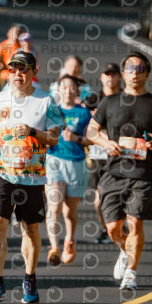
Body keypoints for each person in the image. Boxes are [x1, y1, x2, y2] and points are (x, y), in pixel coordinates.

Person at [87, 52, 152, 290]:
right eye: (130, 69)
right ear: (123, 74)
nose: (134, 74)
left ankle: (131, 274)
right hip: (113, 172)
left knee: (135, 222)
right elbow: (91, 131)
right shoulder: (109, 102)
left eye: (139, 70)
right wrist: (106, 143)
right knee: (113, 228)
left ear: (147, 74)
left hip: (142, 175)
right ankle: (124, 249)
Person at [0, 51, 63, 304]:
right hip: (2, 172)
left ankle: (29, 277)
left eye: (23, 68)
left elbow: (54, 138)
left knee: (30, 228)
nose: (18, 73)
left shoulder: (46, 101)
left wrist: (32, 132)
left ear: (34, 71)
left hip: (32, 176)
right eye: (13, 69)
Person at [45, 75, 92, 266]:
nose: (67, 90)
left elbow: (91, 139)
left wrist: (76, 138)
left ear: (77, 91)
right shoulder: (51, 111)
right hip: (54, 161)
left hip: (76, 163)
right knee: (54, 205)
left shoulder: (84, 113)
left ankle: (69, 240)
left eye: (71, 87)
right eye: (63, 87)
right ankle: (54, 248)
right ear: (58, 90)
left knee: (70, 211)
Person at [87, 63, 122, 244]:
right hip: (99, 154)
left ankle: (120, 227)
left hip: (121, 154)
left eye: (113, 74)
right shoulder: (93, 99)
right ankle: (105, 228)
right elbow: (84, 124)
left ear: (119, 77)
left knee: (122, 197)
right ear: (101, 77)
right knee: (98, 200)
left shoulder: (126, 98)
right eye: (107, 74)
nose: (110, 78)